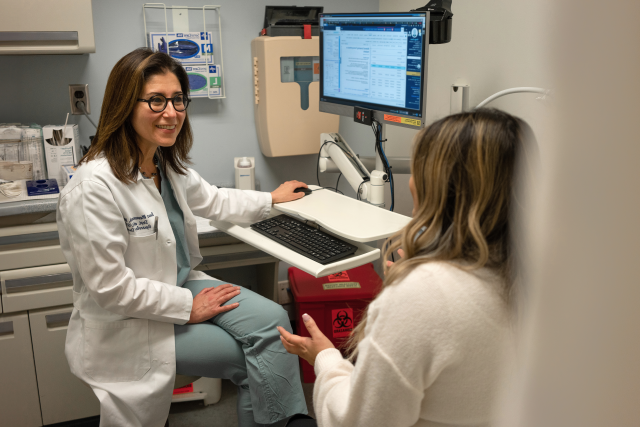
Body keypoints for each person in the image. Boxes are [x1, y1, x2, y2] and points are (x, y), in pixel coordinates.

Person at [57, 48, 308, 427]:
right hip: (129, 321)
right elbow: (110, 288)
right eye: (156, 100)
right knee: (251, 358)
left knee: (274, 321)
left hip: (179, 287)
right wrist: (187, 307)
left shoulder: (162, 163)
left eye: (177, 100)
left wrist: (271, 199)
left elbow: (215, 199)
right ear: (125, 104)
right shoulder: (94, 187)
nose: (171, 112)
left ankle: (286, 421)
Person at [279, 109, 530, 427]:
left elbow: (356, 422)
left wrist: (326, 359)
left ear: (438, 189)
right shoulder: (550, 279)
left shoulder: (422, 294)